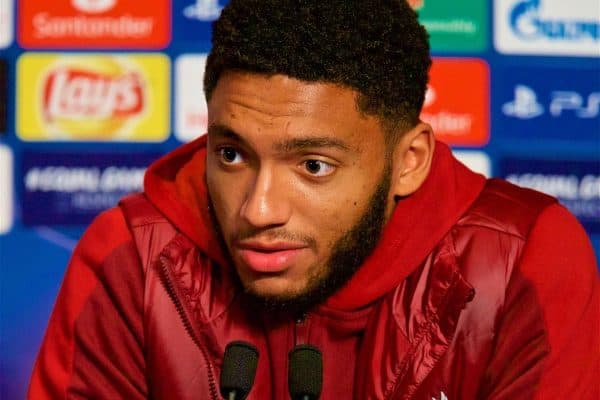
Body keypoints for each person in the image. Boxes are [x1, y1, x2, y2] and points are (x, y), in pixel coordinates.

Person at [29, 1, 599, 399]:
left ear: (410, 160)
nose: (258, 209)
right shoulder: (133, 259)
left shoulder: (524, 259)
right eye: (231, 155)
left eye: (313, 166)